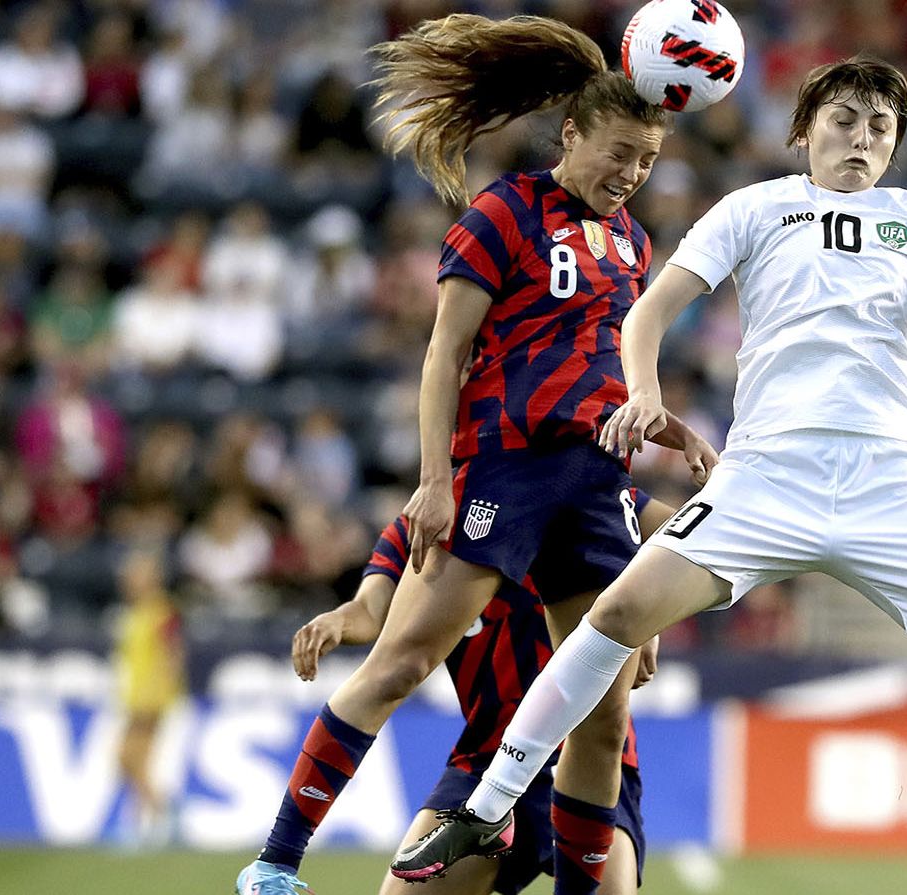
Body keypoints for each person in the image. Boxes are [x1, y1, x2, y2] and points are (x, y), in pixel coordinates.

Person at [401, 56, 907, 895]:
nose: (862, 140)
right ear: (804, 130)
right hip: (766, 477)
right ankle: (487, 805)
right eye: (845, 121)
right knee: (620, 611)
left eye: (880, 129)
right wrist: (644, 390)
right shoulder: (754, 208)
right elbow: (649, 311)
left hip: (890, 487)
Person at [234, 14, 718, 895]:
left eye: (645, 162)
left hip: (595, 480)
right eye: (617, 152)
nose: (629, 175)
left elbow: (600, 369)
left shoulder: (635, 246)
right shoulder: (506, 211)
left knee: (603, 714)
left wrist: (664, 422)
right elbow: (444, 354)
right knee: (407, 656)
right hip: (506, 467)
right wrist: (432, 480)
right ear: (570, 133)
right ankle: (275, 862)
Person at [289, 491, 681, 895]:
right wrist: (339, 620)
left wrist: (647, 614)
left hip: (583, 757)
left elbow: (690, 535)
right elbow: (370, 610)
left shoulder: (583, 493)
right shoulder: (423, 526)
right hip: (485, 761)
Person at [112, 549, 185, 847]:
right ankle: (149, 820)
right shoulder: (137, 611)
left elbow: (173, 653)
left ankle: (162, 815)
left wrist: (160, 691)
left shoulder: (160, 611)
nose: (129, 580)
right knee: (134, 761)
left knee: (128, 758)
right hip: (136, 697)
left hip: (150, 699)